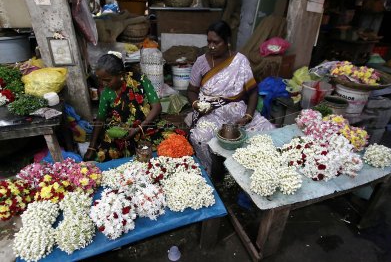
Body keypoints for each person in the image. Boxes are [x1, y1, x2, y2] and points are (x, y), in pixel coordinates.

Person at [186, 21, 275, 172]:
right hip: (209, 111)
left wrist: (248, 116)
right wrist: (196, 105)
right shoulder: (201, 62)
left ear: (227, 42)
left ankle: (251, 169)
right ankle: (213, 171)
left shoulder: (240, 61)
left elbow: (253, 92)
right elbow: (191, 90)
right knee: (199, 138)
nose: (211, 46)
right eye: (209, 41)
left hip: (236, 110)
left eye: (216, 42)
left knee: (267, 132)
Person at [84, 52, 170, 162]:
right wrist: (91, 147)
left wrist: (138, 129)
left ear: (121, 75)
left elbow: (157, 107)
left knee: (172, 142)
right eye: (100, 80)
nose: (103, 84)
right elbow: (100, 119)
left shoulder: (140, 80)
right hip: (121, 131)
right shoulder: (106, 92)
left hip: (147, 126)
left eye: (107, 80)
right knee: (102, 155)